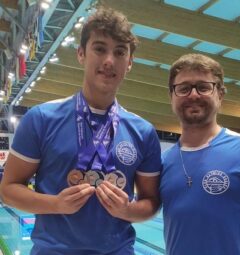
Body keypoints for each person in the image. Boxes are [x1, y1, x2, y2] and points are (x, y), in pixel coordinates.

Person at [0, 6, 161, 255]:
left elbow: (151, 201)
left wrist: (128, 210)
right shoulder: (41, 119)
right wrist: (55, 204)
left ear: (129, 63)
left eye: (119, 52)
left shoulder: (143, 132)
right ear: (81, 54)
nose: (109, 60)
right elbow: (8, 190)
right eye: (99, 48)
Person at [159, 53, 240, 255]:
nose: (193, 95)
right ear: (171, 97)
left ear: (220, 95)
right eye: (183, 88)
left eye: (203, 87)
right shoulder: (163, 161)